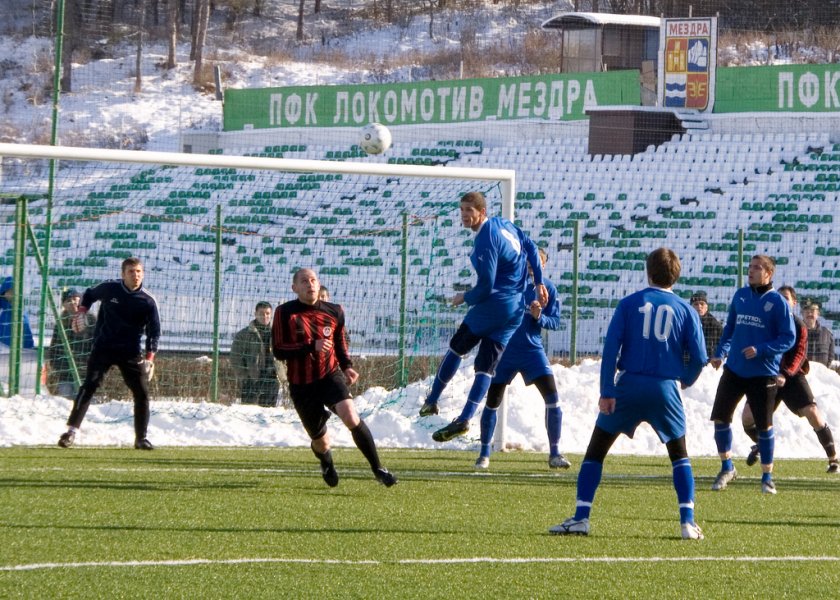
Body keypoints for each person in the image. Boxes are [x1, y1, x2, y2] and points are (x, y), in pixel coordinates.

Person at [549, 248, 707, 540]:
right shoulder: (686, 310)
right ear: (677, 275)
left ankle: (581, 517)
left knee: (596, 451)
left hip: (629, 385)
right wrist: (685, 380)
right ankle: (687, 521)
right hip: (665, 388)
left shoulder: (629, 303)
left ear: (648, 272)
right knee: (679, 455)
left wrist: (607, 390)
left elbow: (611, 350)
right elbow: (699, 356)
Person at [418, 191, 547, 443]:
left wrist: (463, 297)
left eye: (469, 210)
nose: (465, 215)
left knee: (457, 348)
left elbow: (485, 287)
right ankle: (465, 419)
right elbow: (531, 246)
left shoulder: (485, 241)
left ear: (482, 212)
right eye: (462, 210)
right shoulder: (504, 223)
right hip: (515, 308)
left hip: (496, 303)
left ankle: (432, 401)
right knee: (486, 366)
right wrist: (538, 281)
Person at [272, 268, 396, 488]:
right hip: (301, 385)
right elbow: (279, 350)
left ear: (319, 285)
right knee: (321, 440)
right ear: (295, 288)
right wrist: (310, 346)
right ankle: (326, 462)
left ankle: (378, 468)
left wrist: (347, 366)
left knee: (351, 416)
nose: (309, 284)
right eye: (304, 281)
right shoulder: (284, 313)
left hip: (329, 375)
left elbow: (340, 343)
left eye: (313, 280)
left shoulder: (335, 311)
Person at [474, 248, 570, 470]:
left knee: (553, 399)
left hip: (532, 351)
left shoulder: (548, 290)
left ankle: (555, 454)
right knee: (492, 401)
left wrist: (539, 317)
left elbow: (555, 322)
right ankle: (484, 454)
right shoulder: (507, 285)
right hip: (504, 351)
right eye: (527, 265)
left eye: (535, 265)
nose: (530, 270)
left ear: (543, 266)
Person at [708, 255, 795, 495]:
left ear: (769, 274)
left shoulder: (777, 302)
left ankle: (767, 477)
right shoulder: (740, 296)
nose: (751, 271)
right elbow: (730, 329)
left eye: (757, 268)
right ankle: (727, 467)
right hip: (734, 369)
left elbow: (788, 338)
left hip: (762, 373)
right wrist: (720, 353)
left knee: (765, 426)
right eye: (750, 267)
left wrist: (761, 350)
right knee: (720, 418)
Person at [57, 257, 161, 450]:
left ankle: (141, 439)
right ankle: (70, 432)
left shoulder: (147, 301)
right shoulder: (109, 288)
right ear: (123, 274)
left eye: (138, 271)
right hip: (103, 347)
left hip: (130, 352)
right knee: (89, 386)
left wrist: (149, 358)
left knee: (142, 393)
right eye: (131, 271)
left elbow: (154, 332)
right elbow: (89, 294)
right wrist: (81, 311)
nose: (135, 275)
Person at [741, 286, 838, 473]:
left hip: (792, 376)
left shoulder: (799, 325)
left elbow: (800, 354)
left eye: (786, 298)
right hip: (768, 375)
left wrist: (785, 374)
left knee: (812, 412)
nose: (782, 301)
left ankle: (833, 458)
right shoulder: (765, 323)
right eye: (779, 297)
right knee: (747, 419)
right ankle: (763, 444)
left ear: (794, 303)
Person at [47, 288, 95, 398]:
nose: (72, 302)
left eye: (75, 299)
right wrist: (57, 367)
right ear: (63, 304)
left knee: (86, 402)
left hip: (85, 372)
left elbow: (95, 344)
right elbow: (54, 348)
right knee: (65, 401)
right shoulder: (61, 322)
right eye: (68, 300)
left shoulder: (91, 319)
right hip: (65, 372)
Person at [231, 301, 279, 407]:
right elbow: (235, 358)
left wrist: (281, 374)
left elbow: (285, 355)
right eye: (261, 313)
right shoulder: (243, 335)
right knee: (248, 414)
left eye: (267, 313)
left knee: (268, 414)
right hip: (251, 380)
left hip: (271, 379)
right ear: (255, 314)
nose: (264, 316)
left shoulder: (278, 334)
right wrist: (244, 376)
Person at [0, 276, 35, 349]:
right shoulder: (2, 309)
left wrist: (28, 347)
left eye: (13, 291)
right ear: (3, 293)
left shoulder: (21, 311)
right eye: (9, 291)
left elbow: (26, 333)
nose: (11, 294)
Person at [801, 300, 835, 367]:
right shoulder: (795, 332)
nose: (809, 314)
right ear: (802, 313)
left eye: (812, 311)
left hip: (821, 375)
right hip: (800, 375)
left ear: (818, 314)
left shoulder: (827, 334)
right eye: (807, 311)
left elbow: (831, 357)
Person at [690, 290, 723, 360]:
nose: (699, 306)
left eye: (702, 304)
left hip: (709, 362)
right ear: (691, 307)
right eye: (696, 304)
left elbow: (723, 344)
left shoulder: (714, 324)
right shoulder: (686, 322)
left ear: (706, 307)